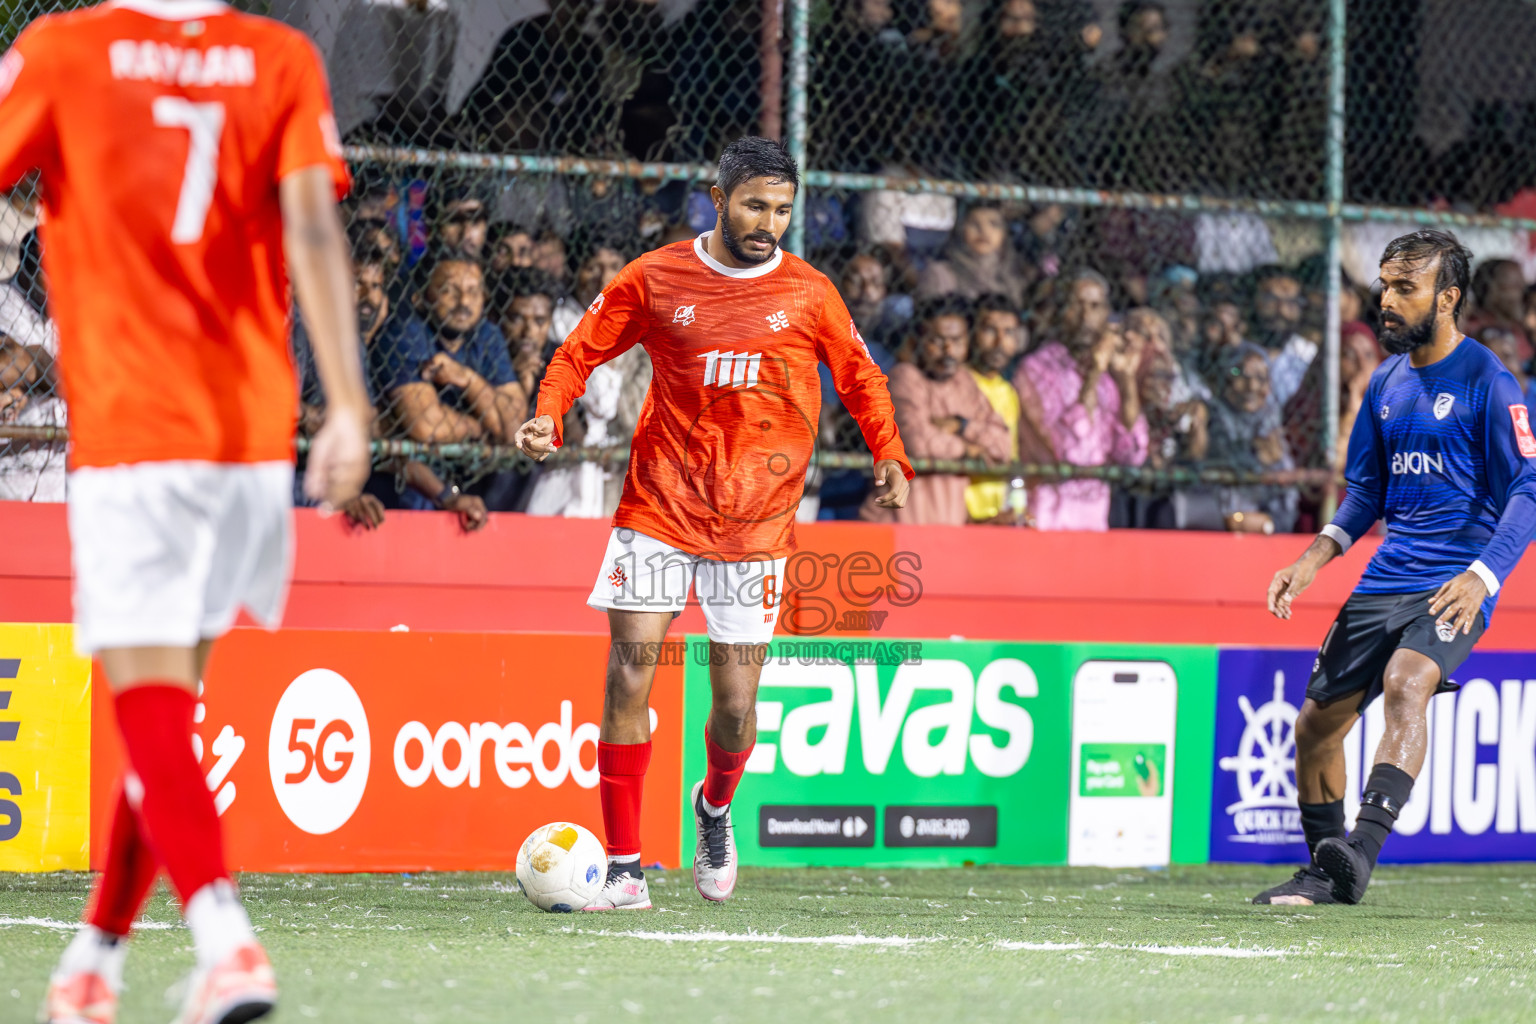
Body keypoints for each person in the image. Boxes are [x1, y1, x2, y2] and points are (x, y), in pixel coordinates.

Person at [0, 4, 371, 1023]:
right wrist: (347, 401)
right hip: (253, 432)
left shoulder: (63, 50)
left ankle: (227, 942)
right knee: (167, 718)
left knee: (151, 711)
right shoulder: (279, 57)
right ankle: (95, 961)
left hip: (134, 427)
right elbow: (312, 227)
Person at [513, 137, 912, 910]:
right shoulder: (658, 277)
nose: (769, 222)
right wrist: (546, 415)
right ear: (718, 197)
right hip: (660, 506)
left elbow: (861, 376)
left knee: (733, 707)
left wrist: (889, 452)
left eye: (784, 210)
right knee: (630, 673)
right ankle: (625, 869)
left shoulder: (809, 292)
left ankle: (714, 810)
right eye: (756, 205)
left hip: (755, 527)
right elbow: (576, 353)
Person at [1259, 230, 1536, 907]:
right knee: (1314, 728)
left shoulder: (1490, 382)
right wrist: (1313, 557)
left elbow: (1528, 489)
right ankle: (1325, 875)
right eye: (1384, 284)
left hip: (1452, 583)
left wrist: (1483, 577)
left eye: (1403, 288)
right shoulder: (1384, 381)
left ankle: (1359, 850)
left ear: (1447, 299)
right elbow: (1366, 493)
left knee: (1408, 683)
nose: (1386, 299)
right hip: (1384, 578)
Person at [1014, 269, 1148, 530]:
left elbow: (1132, 454)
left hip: (1094, 518)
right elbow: (1071, 451)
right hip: (1047, 515)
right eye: (1076, 306)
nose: (1086, 316)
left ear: (1107, 315)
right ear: (1059, 312)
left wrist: (1126, 380)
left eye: (1095, 306)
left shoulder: (1110, 379)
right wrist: (1095, 373)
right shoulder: (1036, 369)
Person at [860, 296, 1011, 525]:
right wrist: (968, 449)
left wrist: (963, 425)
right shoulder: (905, 378)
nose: (948, 350)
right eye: (937, 341)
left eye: (957, 341)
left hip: (948, 521)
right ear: (918, 341)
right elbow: (919, 442)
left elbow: (1003, 445)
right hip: (898, 522)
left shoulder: (964, 382)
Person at [375, 256, 526, 444]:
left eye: (473, 291)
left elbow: (517, 427)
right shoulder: (406, 333)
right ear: (420, 298)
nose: (464, 301)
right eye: (449, 291)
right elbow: (428, 427)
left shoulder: (487, 334)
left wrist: (468, 379)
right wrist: (479, 426)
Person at [1206, 342, 1298, 534]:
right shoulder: (1210, 415)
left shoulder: (1270, 421)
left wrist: (1268, 524)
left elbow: (1288, 498)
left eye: (1260, 378)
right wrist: (1257, 457)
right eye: (1241, 375)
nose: (1252, 386)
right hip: (1211, 524)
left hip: (1264, 529)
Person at [1252, 265, 1318, 407]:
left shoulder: (1309, 355)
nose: (1281, 309)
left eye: (1291, 302)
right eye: (1271, 299)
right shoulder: (1237, 351)